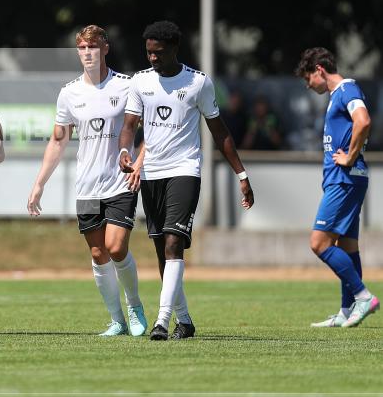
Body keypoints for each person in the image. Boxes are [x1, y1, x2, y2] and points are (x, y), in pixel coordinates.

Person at [119, 21, 254, 340]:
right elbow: (129, 125)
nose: (153, 58)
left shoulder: (198, 83)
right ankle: (185, 320)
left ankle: (162, 322)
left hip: (185, 170)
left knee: (173, 242)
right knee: (161, 250)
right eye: (149, 52)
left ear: (174, 49)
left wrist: (242, 174)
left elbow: (220, 132)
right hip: (151, 173)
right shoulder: (140, 81)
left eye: (158, 52)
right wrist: (125, 151)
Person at [27, 25, 148, 336]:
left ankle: (134, 306)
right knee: (98, 253)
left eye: (92, 47)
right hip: (87, 185)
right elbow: (58, 140)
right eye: (81, 48)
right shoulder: (69, 93)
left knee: (115, 247)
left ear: (105, 48)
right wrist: (40, 183)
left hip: (120, 181)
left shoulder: (127, 85)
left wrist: (139, 162)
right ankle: (117, 320)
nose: (87, 53)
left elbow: (150, 130)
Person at [296, 47, 377, 328]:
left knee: (319, 243)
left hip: (345, 179)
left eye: (308, 78)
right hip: (344, 179)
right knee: (347, 245)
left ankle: (363, 296)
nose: (308, 85)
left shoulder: (346, 90)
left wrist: (350, 156)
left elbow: (363, 121)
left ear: (319, 70)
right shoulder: (337, 96)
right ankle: (346, 309)